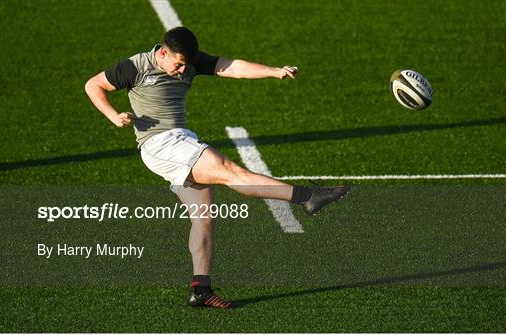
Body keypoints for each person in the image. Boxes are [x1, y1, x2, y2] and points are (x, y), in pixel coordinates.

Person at [85, 27, 350, 308]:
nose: (183, 70)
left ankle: (200, 289)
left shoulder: (189, 61)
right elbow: (93, 85)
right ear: (162, 53)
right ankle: (307, 197)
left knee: (204, 215)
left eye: (187, 64)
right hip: (161, 144)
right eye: (178, 64)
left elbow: (231, 67)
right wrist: (113, 115)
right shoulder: (134, 66)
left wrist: (274, 71)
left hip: (179, 140)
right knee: (230, 171)